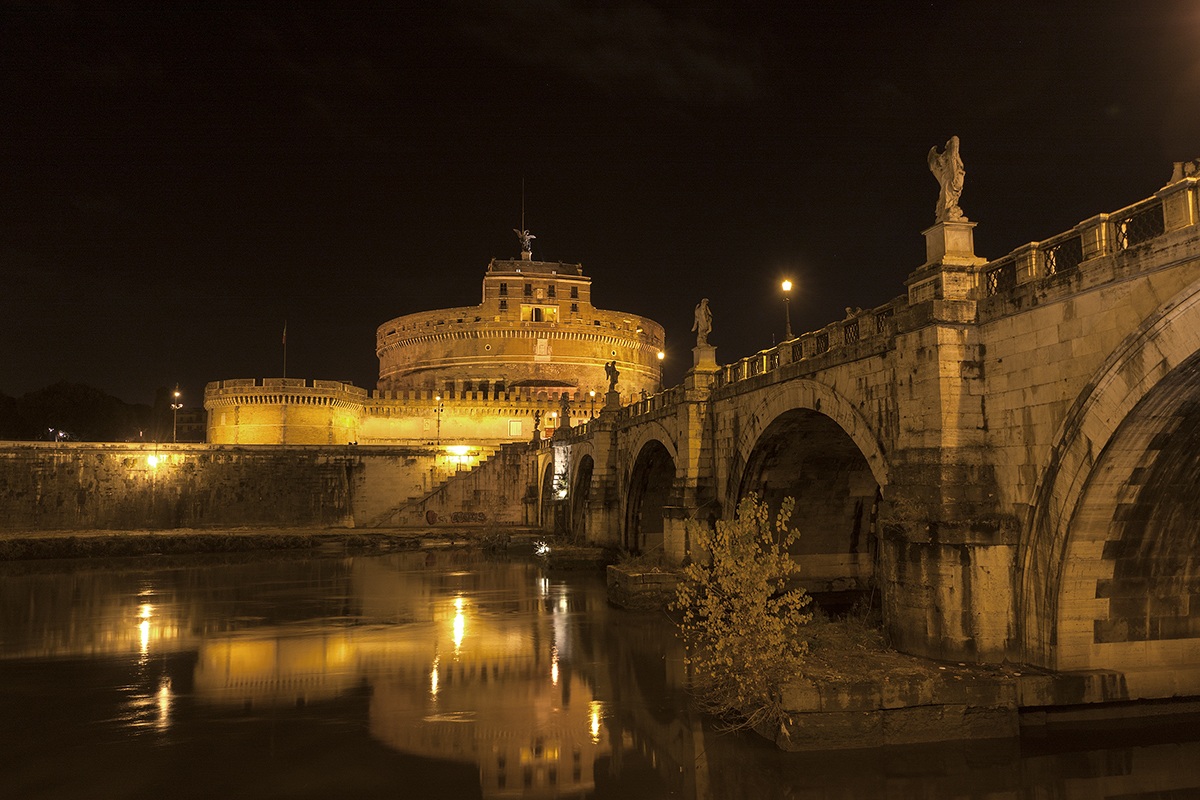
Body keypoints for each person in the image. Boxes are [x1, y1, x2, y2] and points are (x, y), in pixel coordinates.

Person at [927, 136, 965, 222]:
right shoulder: (947, 155)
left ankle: (951, 208)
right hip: (948, 176)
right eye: (955, 144)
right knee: (947, 193)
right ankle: (947, 210)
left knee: (953, 193)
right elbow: (952, 161)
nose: (956, 146)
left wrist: (957, 171)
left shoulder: (955, 155)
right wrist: (953, 173)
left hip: (954, 175)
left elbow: (959, 163)